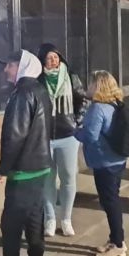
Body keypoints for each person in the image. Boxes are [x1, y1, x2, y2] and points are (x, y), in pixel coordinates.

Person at [0, 50, 53, 256]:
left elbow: (15, 135)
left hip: (23, 171)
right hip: (41, 166)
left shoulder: (21, 95)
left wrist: (3, 169)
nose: (6, 70)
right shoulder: (41, 90)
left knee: (11, 227)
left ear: (23, 67)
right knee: (35, 221)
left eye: (10, 65)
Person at [74, 71, 128, 256]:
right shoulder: (115, 104)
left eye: (91, 83)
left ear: (98, 86)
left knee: (110, 203)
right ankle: (115, 239)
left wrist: (75, 132)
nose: (88, 86)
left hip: (105, 162)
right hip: (118, 160)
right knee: (113, 200)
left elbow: (90, 136)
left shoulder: (98, 108)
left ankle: (119, 244)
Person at [36, 43, 87, 237]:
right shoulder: (38, 80)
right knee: (47, 180)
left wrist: (78, 122)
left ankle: (66, 219)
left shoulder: (71, 77)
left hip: (68, 135)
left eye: (56, 57)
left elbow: (82, 100)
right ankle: (50, 219)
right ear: (43, 61)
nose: (53, 61)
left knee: (68, 178)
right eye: (49, 58)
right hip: (45, 137)